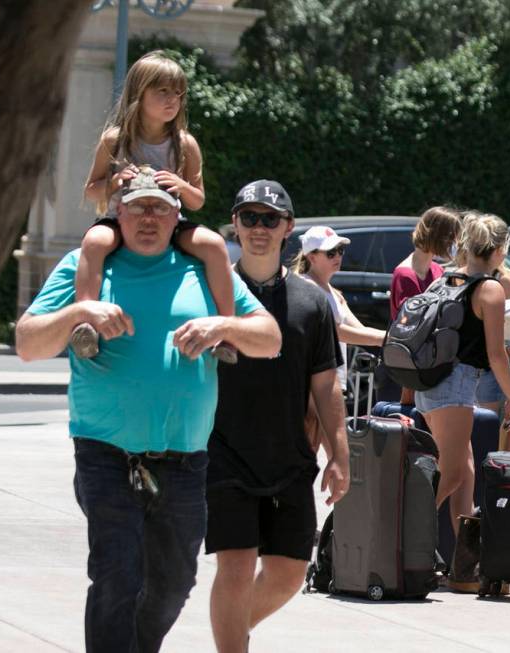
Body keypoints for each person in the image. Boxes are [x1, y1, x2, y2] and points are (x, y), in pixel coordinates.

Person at [14, 170, 281, 653]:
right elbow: (28, 343)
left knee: (174, 583)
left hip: (184, 460)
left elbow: (270, 339)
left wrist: (222, 325)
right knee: (117, 573)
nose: (149, 217)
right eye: (138, 207)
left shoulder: (201, 270)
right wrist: (80, 313)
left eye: (159, 207)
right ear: (119, 214)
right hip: (105, 455)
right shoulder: (87, 267)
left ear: (177, 216)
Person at [206, 181, 349, 653]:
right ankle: (231, 644)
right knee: (237, 564)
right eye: (249, 218)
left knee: (289, 573)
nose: (259, 228)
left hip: (290, 456)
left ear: (288, 228)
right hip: (223, 452)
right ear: (236, 225)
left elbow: (326, 386)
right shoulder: (212, 289)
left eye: (270, 219)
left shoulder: (312, 302)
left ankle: (231, 631)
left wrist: (339, 456)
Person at [76, 50, 236, 362]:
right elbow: (91, 190)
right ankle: (86, 323)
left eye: (178, 93)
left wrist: (182, 186)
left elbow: (198, 199)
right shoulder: (115, 140)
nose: (172, 100)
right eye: (162, 91)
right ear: (139, 93)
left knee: (215, 243)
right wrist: (114, 183)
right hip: (120, 220)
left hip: (169, 223)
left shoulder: (184, 143)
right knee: (94, 242)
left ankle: (225, 331)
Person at [415, 214, 510, 541]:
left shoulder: (444, 279)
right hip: (456, 386)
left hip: (430, 384)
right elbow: (496, 354)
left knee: (465, 473)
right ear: (500, 249)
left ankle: (464, 556)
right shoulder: (490, 289)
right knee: (452, 474)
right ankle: (403, 539)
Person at [293, 225, 387, 455]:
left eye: (340, 250)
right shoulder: (304, 288)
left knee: (336, 456)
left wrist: (391, 339)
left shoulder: (334, 293)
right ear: (311, 257)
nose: (338, 256)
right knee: (327, 454)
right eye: (330, 252)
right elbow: (336, 331)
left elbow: (359, 329)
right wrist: (386, 339)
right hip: (308, 382)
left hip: (332, 381)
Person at [462, 212, 510, 416]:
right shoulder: (494, 285)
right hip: (482, 367)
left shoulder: (451, 279)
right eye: (508, 249)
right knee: (484, 433)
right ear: (498, 250)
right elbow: (496, 355)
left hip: (458, 371)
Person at [390, 206, 463, 404]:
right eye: (452, 237)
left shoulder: (437, 269)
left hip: (434, 360)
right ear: (439, 236)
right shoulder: (405, 275)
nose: (454, 244)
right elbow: (410, 328)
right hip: (415, 365)